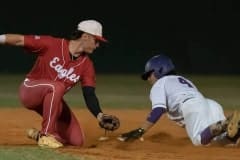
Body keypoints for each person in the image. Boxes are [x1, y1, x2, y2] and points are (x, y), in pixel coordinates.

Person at [0, 19, 120, 148]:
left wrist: (99, 115)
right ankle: (46, 135)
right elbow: (19, 39)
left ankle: (38, 135)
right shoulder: (53, 44)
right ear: (85, 36)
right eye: (96, 41)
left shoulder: (87, 65)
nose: (97, 45)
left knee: (76, 141)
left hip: (52, 100)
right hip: (30, 90)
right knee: (57, 86)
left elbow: (89, 93)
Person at [117, 54, 240, 146]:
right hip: (211, 104)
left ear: (159, 70)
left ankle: (225, 123)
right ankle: (235, 129)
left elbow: (158, 109)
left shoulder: (160, 84)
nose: (148, 78)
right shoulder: (182, 79)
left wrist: (141, 130)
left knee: (199, 141)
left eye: (149, 74)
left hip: (192, 106)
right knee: (220, 141)